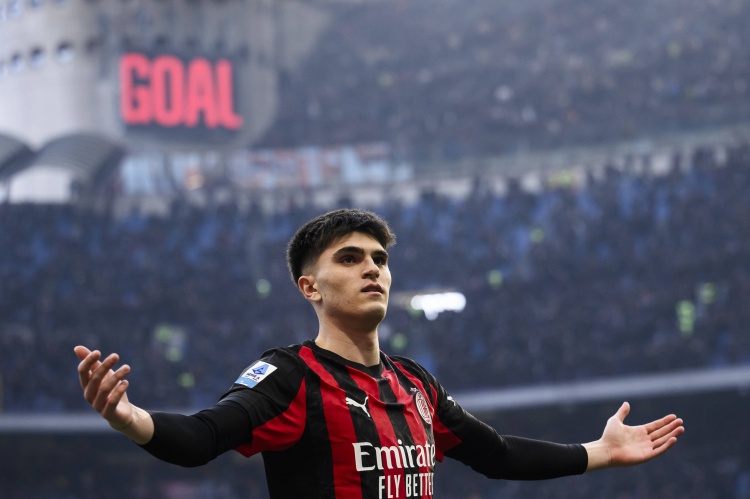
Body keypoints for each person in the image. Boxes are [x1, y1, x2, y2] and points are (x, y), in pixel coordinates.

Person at [75, 208, 685, 499]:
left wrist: (599, 453)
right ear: (309, 287)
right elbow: (203, 437)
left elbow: (497, 455)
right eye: (350, 258)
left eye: (380, 259)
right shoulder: (290, 376)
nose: (372, 268)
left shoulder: (417, 385)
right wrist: (130, 418)